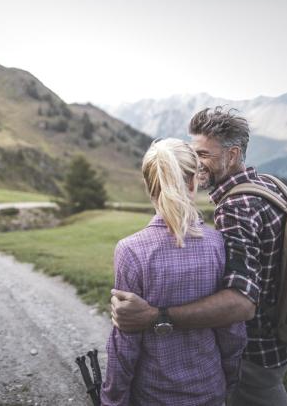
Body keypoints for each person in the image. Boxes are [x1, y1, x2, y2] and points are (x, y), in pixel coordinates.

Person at [111, 108, 287, 406]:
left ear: (232, 155)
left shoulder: (237, 208)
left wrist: (158, 316)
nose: (196, 163)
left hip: (255, 353)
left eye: (203, 154)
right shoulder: (268, 185)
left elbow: (241, 304)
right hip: (279, 340)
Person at [101, 138, 246, 406]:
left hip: (154, 394)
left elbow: (126, 341)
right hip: (210, 388)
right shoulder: (217, 243)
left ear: (148, 186)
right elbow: (231, 331)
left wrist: (113, 398)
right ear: (193, 182)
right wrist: (228, 377)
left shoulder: (130, 251)